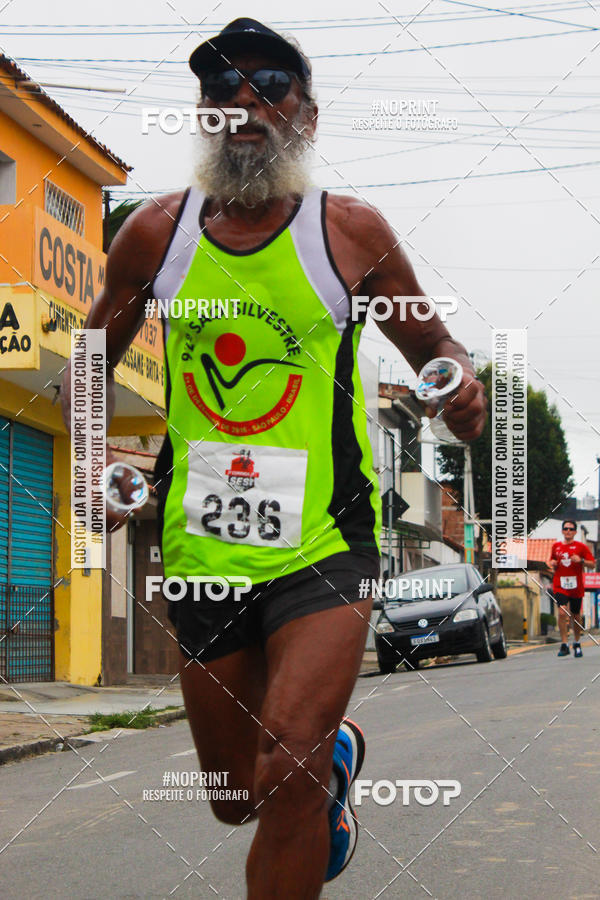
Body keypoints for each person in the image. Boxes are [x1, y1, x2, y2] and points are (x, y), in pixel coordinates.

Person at [61, 18, 486, 898]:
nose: (243, 102)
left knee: (283, 759)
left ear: (309, 116)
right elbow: (89, 369)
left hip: (327, 542)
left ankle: (311, 765)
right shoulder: (154, 237)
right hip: (201, 552)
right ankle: (332, 767)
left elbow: (438, 352)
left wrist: (463, 395)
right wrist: (96, 452)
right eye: (220, 89)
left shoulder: (350, 234)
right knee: (234, 795)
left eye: (268, 84)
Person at [549, 519, 595, 657]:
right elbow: (552, 561)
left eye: (570, 529)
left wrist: (581, 560)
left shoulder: (581, 547)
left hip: (576, 586)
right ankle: (564, 644)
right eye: (565, 529)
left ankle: (577, 641)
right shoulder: (556, 546)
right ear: (562, 531)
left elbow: (592, 564)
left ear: (575, 532)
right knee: (562, 612)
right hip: (560, 584)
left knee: (575, 615)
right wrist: (552, 562)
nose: (568, 531)